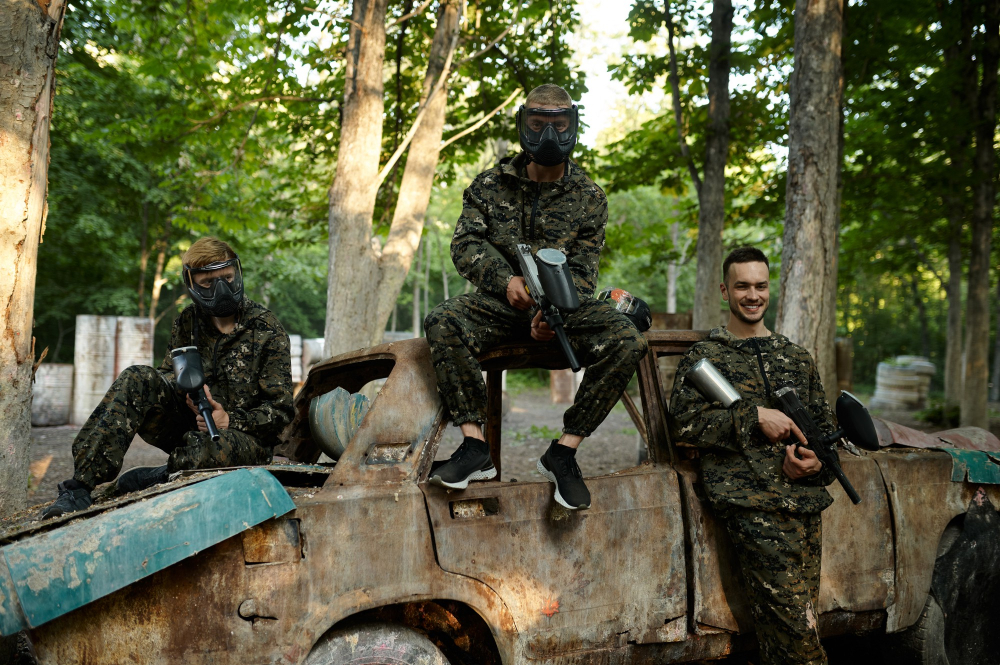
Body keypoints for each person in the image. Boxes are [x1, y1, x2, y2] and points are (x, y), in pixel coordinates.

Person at [423, 84, 647, 511]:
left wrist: (554, 312)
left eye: (559, 124)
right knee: (443, 320)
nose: (548, 133)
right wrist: (504, 280)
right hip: (499, 306)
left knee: (627, 339)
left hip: (564, 311)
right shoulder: (488, 185)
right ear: (524, 125)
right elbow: (465, 244)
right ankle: (474, 448)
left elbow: (583, 274)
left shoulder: (589, 197)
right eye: (539, 123)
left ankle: (564, 451)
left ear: (572, 126)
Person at [43, 237, 294, 518]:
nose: (221, 288)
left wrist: (228, 420)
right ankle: (79, 488)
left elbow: (281, 411)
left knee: (206, 452)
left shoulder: (267, 329)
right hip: (192, 426)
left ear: (237, 273)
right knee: (137, 378)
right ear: (191, 283)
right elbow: (165, 375)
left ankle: (163, 475)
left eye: (227, 277)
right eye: (208, 282)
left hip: (245, 441)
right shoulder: (187, 322)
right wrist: (186, 392)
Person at [669, 246, 836, 665]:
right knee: (799, 640)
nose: (752, 295)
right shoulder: (706, 358)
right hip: (752, 508)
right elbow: (683, 425)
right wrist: (752, 416)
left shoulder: (796, 356)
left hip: (805, 508)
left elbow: (821, 430)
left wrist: (816, 462)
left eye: (760, 286)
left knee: (794, 628)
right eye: (742, 286)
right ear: (725, 291)